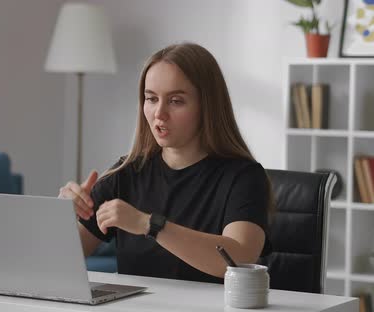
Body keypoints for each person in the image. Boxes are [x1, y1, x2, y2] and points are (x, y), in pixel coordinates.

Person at [58, 43, 273, 284]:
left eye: (176, 101)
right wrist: (61, 216)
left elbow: (238, 258)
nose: (159, 113)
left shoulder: (244, 177)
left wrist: (148, 225)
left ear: (207, 106)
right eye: (151, 98)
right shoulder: (126, 172)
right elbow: (57, 260)